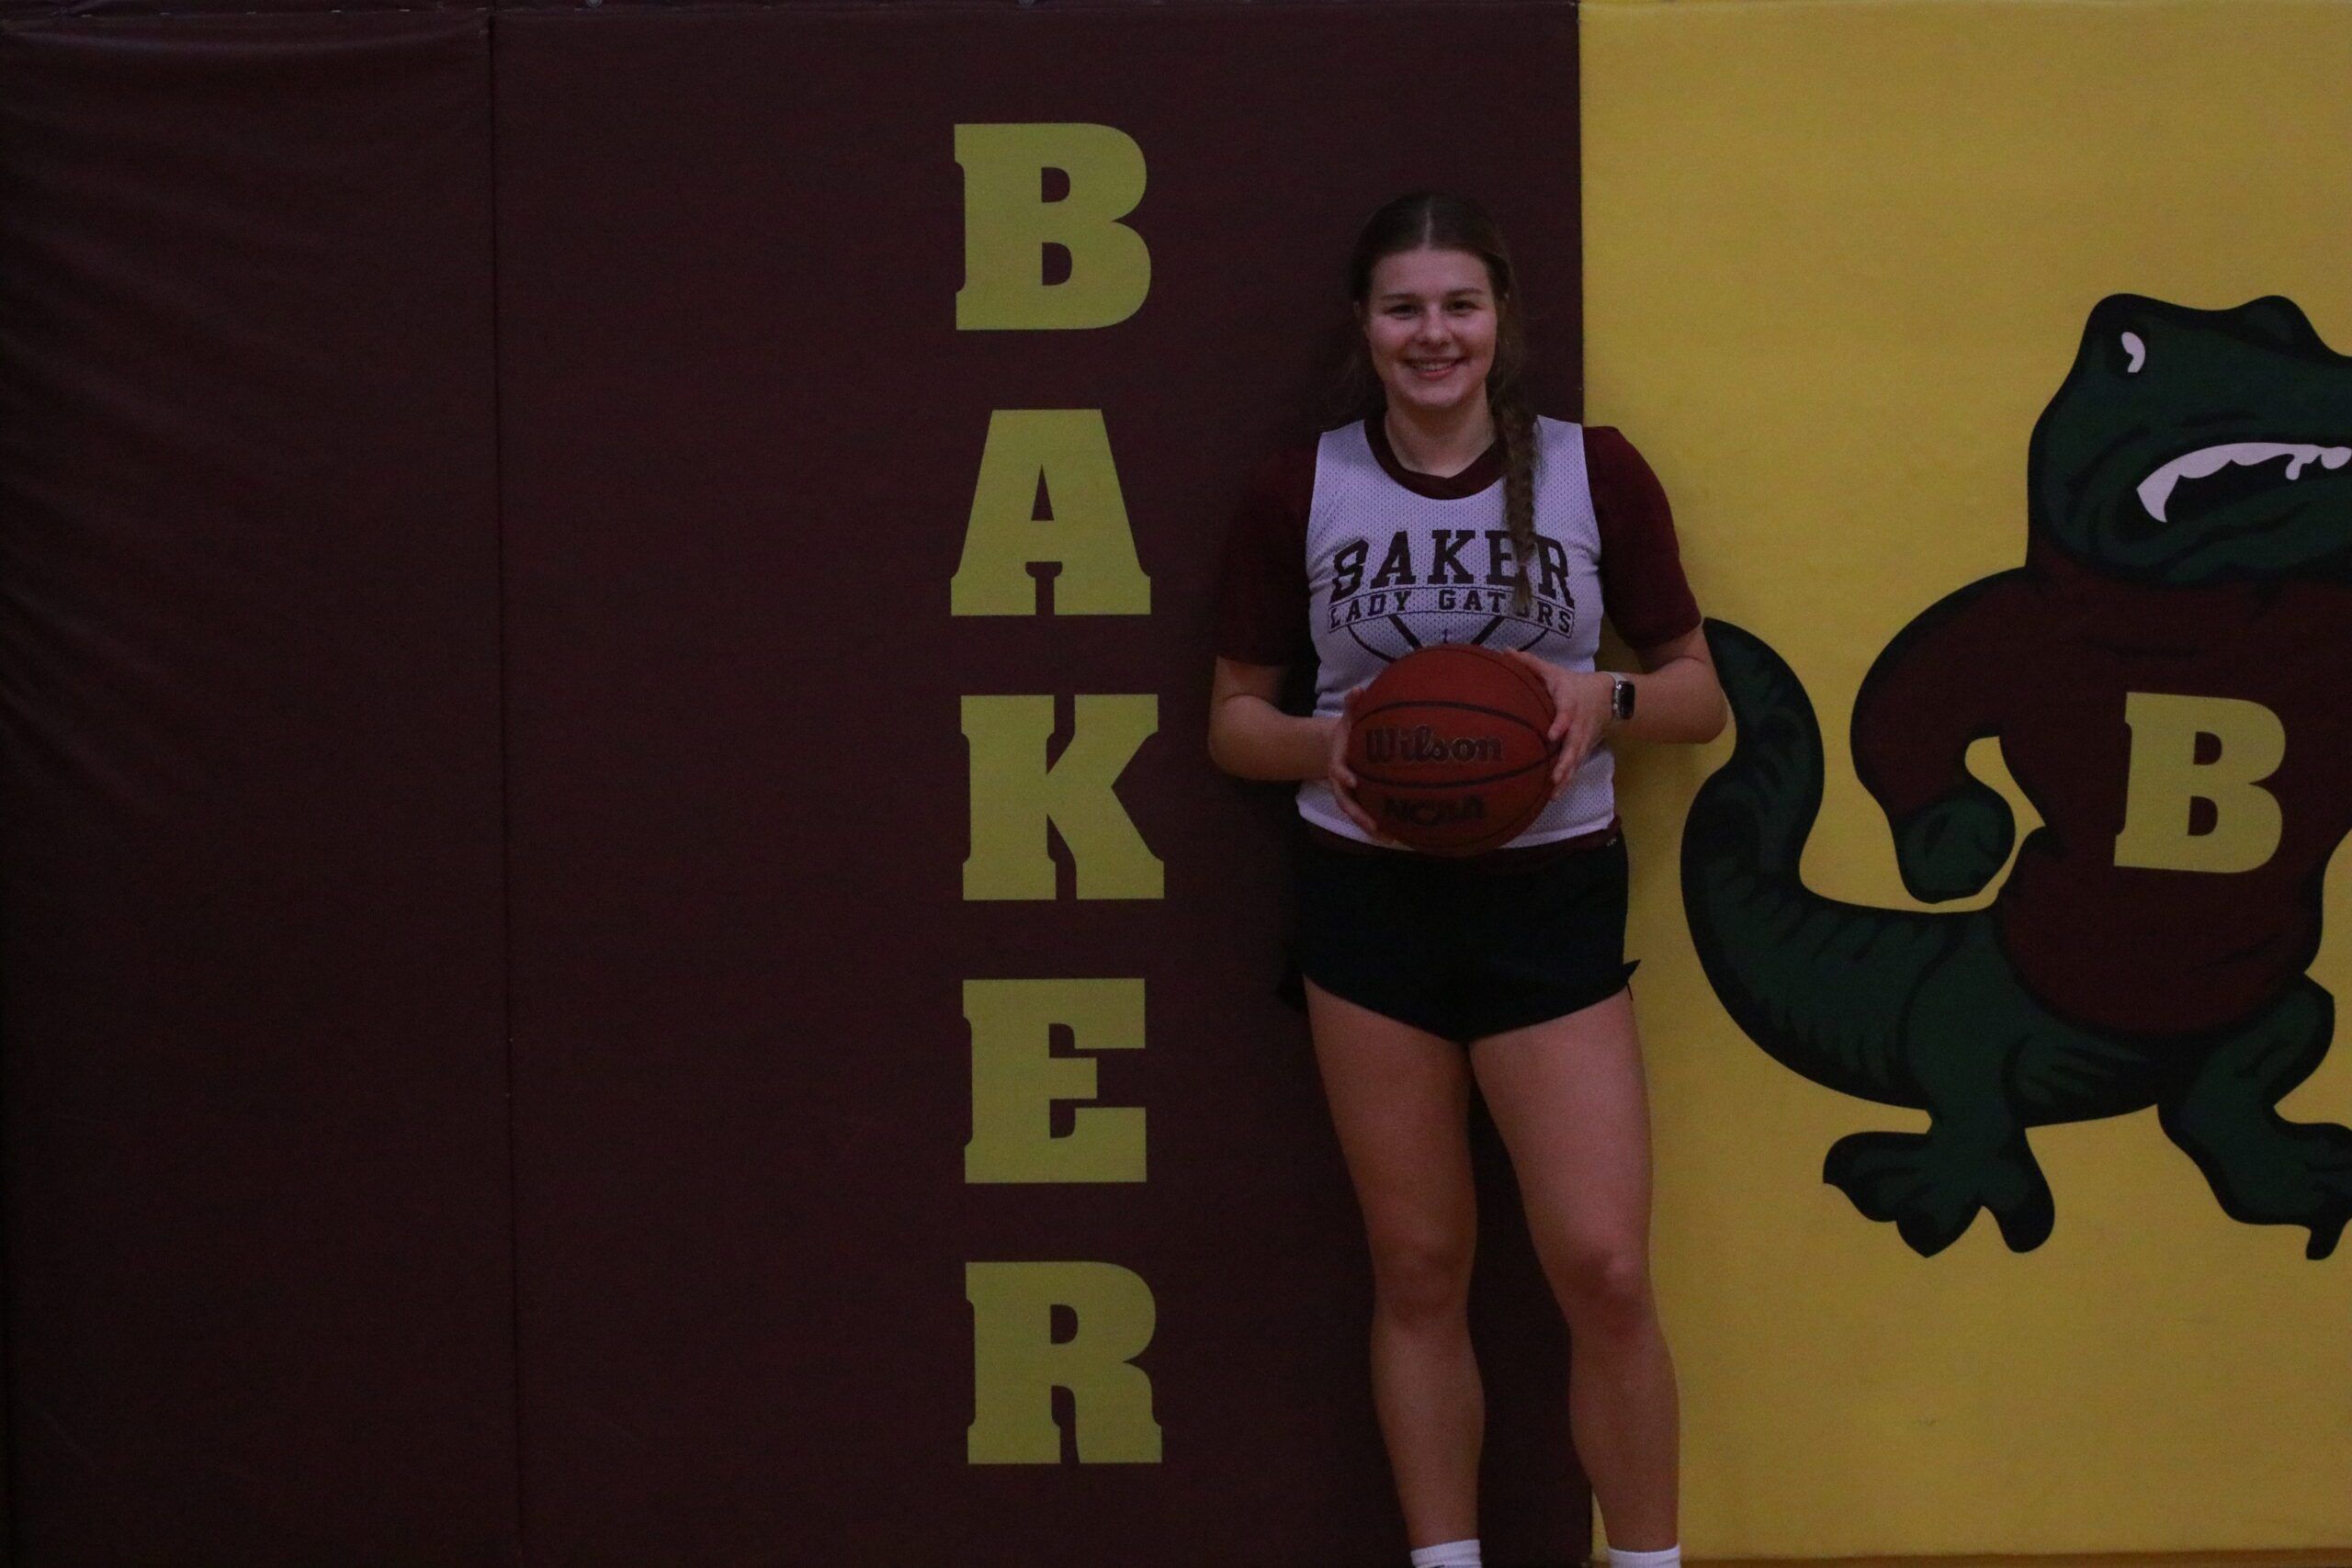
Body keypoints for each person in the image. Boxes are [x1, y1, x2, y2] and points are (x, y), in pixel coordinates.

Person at [1207, 192, 1725, 1568]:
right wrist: (1336, 742)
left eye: (1458, 305)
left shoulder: (1594, 472)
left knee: (1605, 1266)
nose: (1432, 334)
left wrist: (1602, 697)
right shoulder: (1301, 487)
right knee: (1421, 1266)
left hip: (1548, 897)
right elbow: (1233, 722)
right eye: (1404, 308)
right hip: (1367, 902)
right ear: (1364, 325)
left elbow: (1697, 697)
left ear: (1501, 318)